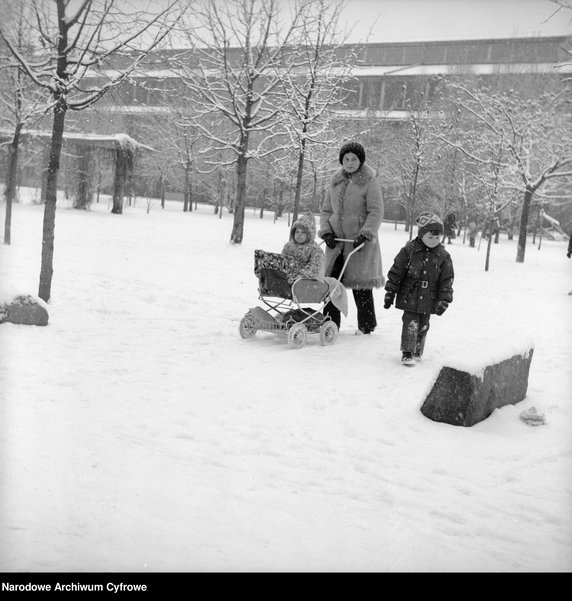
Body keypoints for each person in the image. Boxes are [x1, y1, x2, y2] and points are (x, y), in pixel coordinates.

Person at [319, 141, 384, 335]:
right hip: (337, 243)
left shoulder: (369, 181)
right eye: (346, 159)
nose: (349, 163)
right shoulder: (336, 181)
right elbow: (326, 210)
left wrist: (365, 234)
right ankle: (330, 323)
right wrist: (326, 232)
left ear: (360, 161)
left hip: (359, 244)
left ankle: (366, 326)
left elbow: (376, 211)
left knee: (360, 285)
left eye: (354, 159)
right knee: (332, 284)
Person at [383, 212, 454, 366]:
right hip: (410, 294)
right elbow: (397, 271)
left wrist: (444, 299)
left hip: (430, 297)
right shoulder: (409, 251)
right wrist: (390, 291)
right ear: (422, 235)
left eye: (437, 237)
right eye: (431, 237)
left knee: (423, 324)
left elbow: (446, 280)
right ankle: (407, 352)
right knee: (410, 323)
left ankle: (417, 350)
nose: (434, 241)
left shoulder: (443, 256)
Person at [281, 211, 324, 283]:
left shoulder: (315, 249)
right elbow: (283, 259)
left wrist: (301, 275)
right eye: (297, 232)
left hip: (306, 281)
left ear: (309, 234)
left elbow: (313, 267)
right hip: (288, 276)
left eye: (303, 232)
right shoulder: (288, 246)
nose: (299, 235)